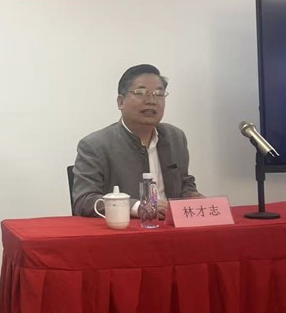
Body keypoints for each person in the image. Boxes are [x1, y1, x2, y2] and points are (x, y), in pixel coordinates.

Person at [72, 64, 203, 218]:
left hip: (171, 226)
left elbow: (185, 183)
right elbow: (84, 201)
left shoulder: (175, 137)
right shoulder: (95, 145)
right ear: (121, 102)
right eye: (141, 93)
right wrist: (138, 207)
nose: (151, 101)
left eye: (159, 94)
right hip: (127, 228)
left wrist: (192, 196)